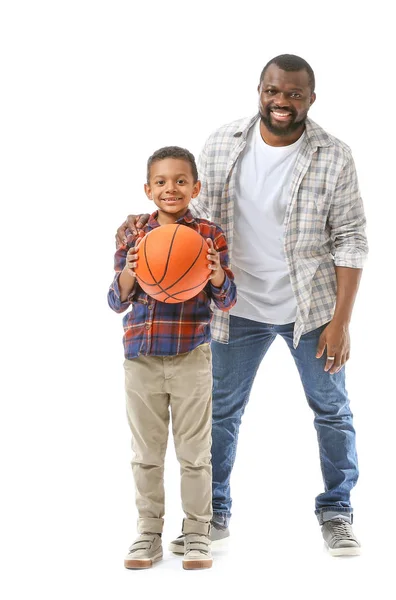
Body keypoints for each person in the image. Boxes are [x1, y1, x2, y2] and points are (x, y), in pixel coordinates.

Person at [116, 54, 368, 557]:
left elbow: (351, 239)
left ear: (310, 99)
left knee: (332, 411)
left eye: (294, 94)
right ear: (260, 90)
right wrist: (141, 238)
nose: (282, 101)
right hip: (236, 307)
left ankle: (336, 511)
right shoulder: (222, 144)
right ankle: (213, 513)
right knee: (221, 413)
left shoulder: (334, 155)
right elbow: (192, 221)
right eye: (273, 91)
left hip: (310, 309)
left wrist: (341, 322)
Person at [108, 146, 237, 570]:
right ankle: (148, 533)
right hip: (141, 357)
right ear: (148, 189)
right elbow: (115, 300)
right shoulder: (133, 234)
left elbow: (228, 299)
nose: (171, 189)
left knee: (195, 453)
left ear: (195, 187)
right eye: (161, 182)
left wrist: (215, 272)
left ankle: (197, 534)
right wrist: (131, 268)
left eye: (180, 181)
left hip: (191, 357)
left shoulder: (209, 235)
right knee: (146, 452)